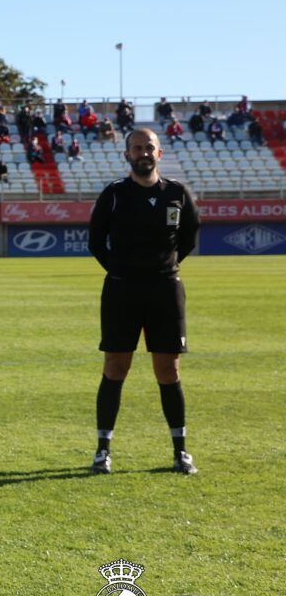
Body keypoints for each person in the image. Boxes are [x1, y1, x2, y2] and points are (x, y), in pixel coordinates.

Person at [88, 128, 200, 476]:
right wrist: (123, 271)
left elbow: (188, 239)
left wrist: (161, 269)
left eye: (149, 147)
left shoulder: (178, 194)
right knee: (115, 367)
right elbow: (95, 241)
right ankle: (102, 450)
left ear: (159, 153)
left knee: (168, 370)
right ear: (127, 155)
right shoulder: (114, 194)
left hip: (166, 291)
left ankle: (180, 451)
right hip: (122, 291)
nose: (143, 153)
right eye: (137, 148)